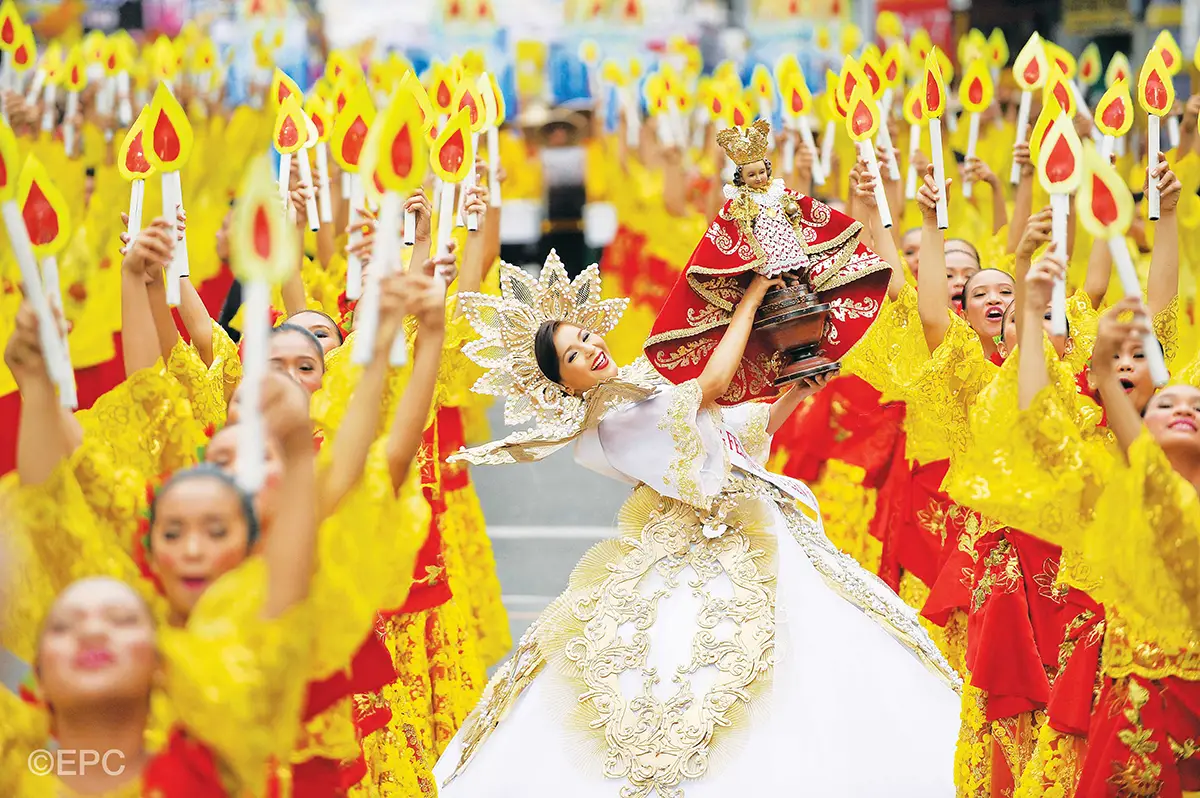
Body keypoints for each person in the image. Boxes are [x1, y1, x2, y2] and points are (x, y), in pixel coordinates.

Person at [432, 252, 961, 797]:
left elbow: (734, 439)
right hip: (700, 541)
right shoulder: (610, 426)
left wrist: (793, 393)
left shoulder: (640, 383)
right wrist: (749, 301)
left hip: (755, 519)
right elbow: (710, 387)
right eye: (573, 354)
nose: (591, 348)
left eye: (586, 335)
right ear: (561, 382)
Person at [644, 119, 892, 404]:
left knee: (799, 282)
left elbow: (802, 213)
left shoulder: (779, 194)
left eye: (762, 172)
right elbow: (730, 232)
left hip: (790, 249)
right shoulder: (739, 204)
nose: (760, 179)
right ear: (741, 178)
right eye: (752, 174)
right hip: (763, 259)